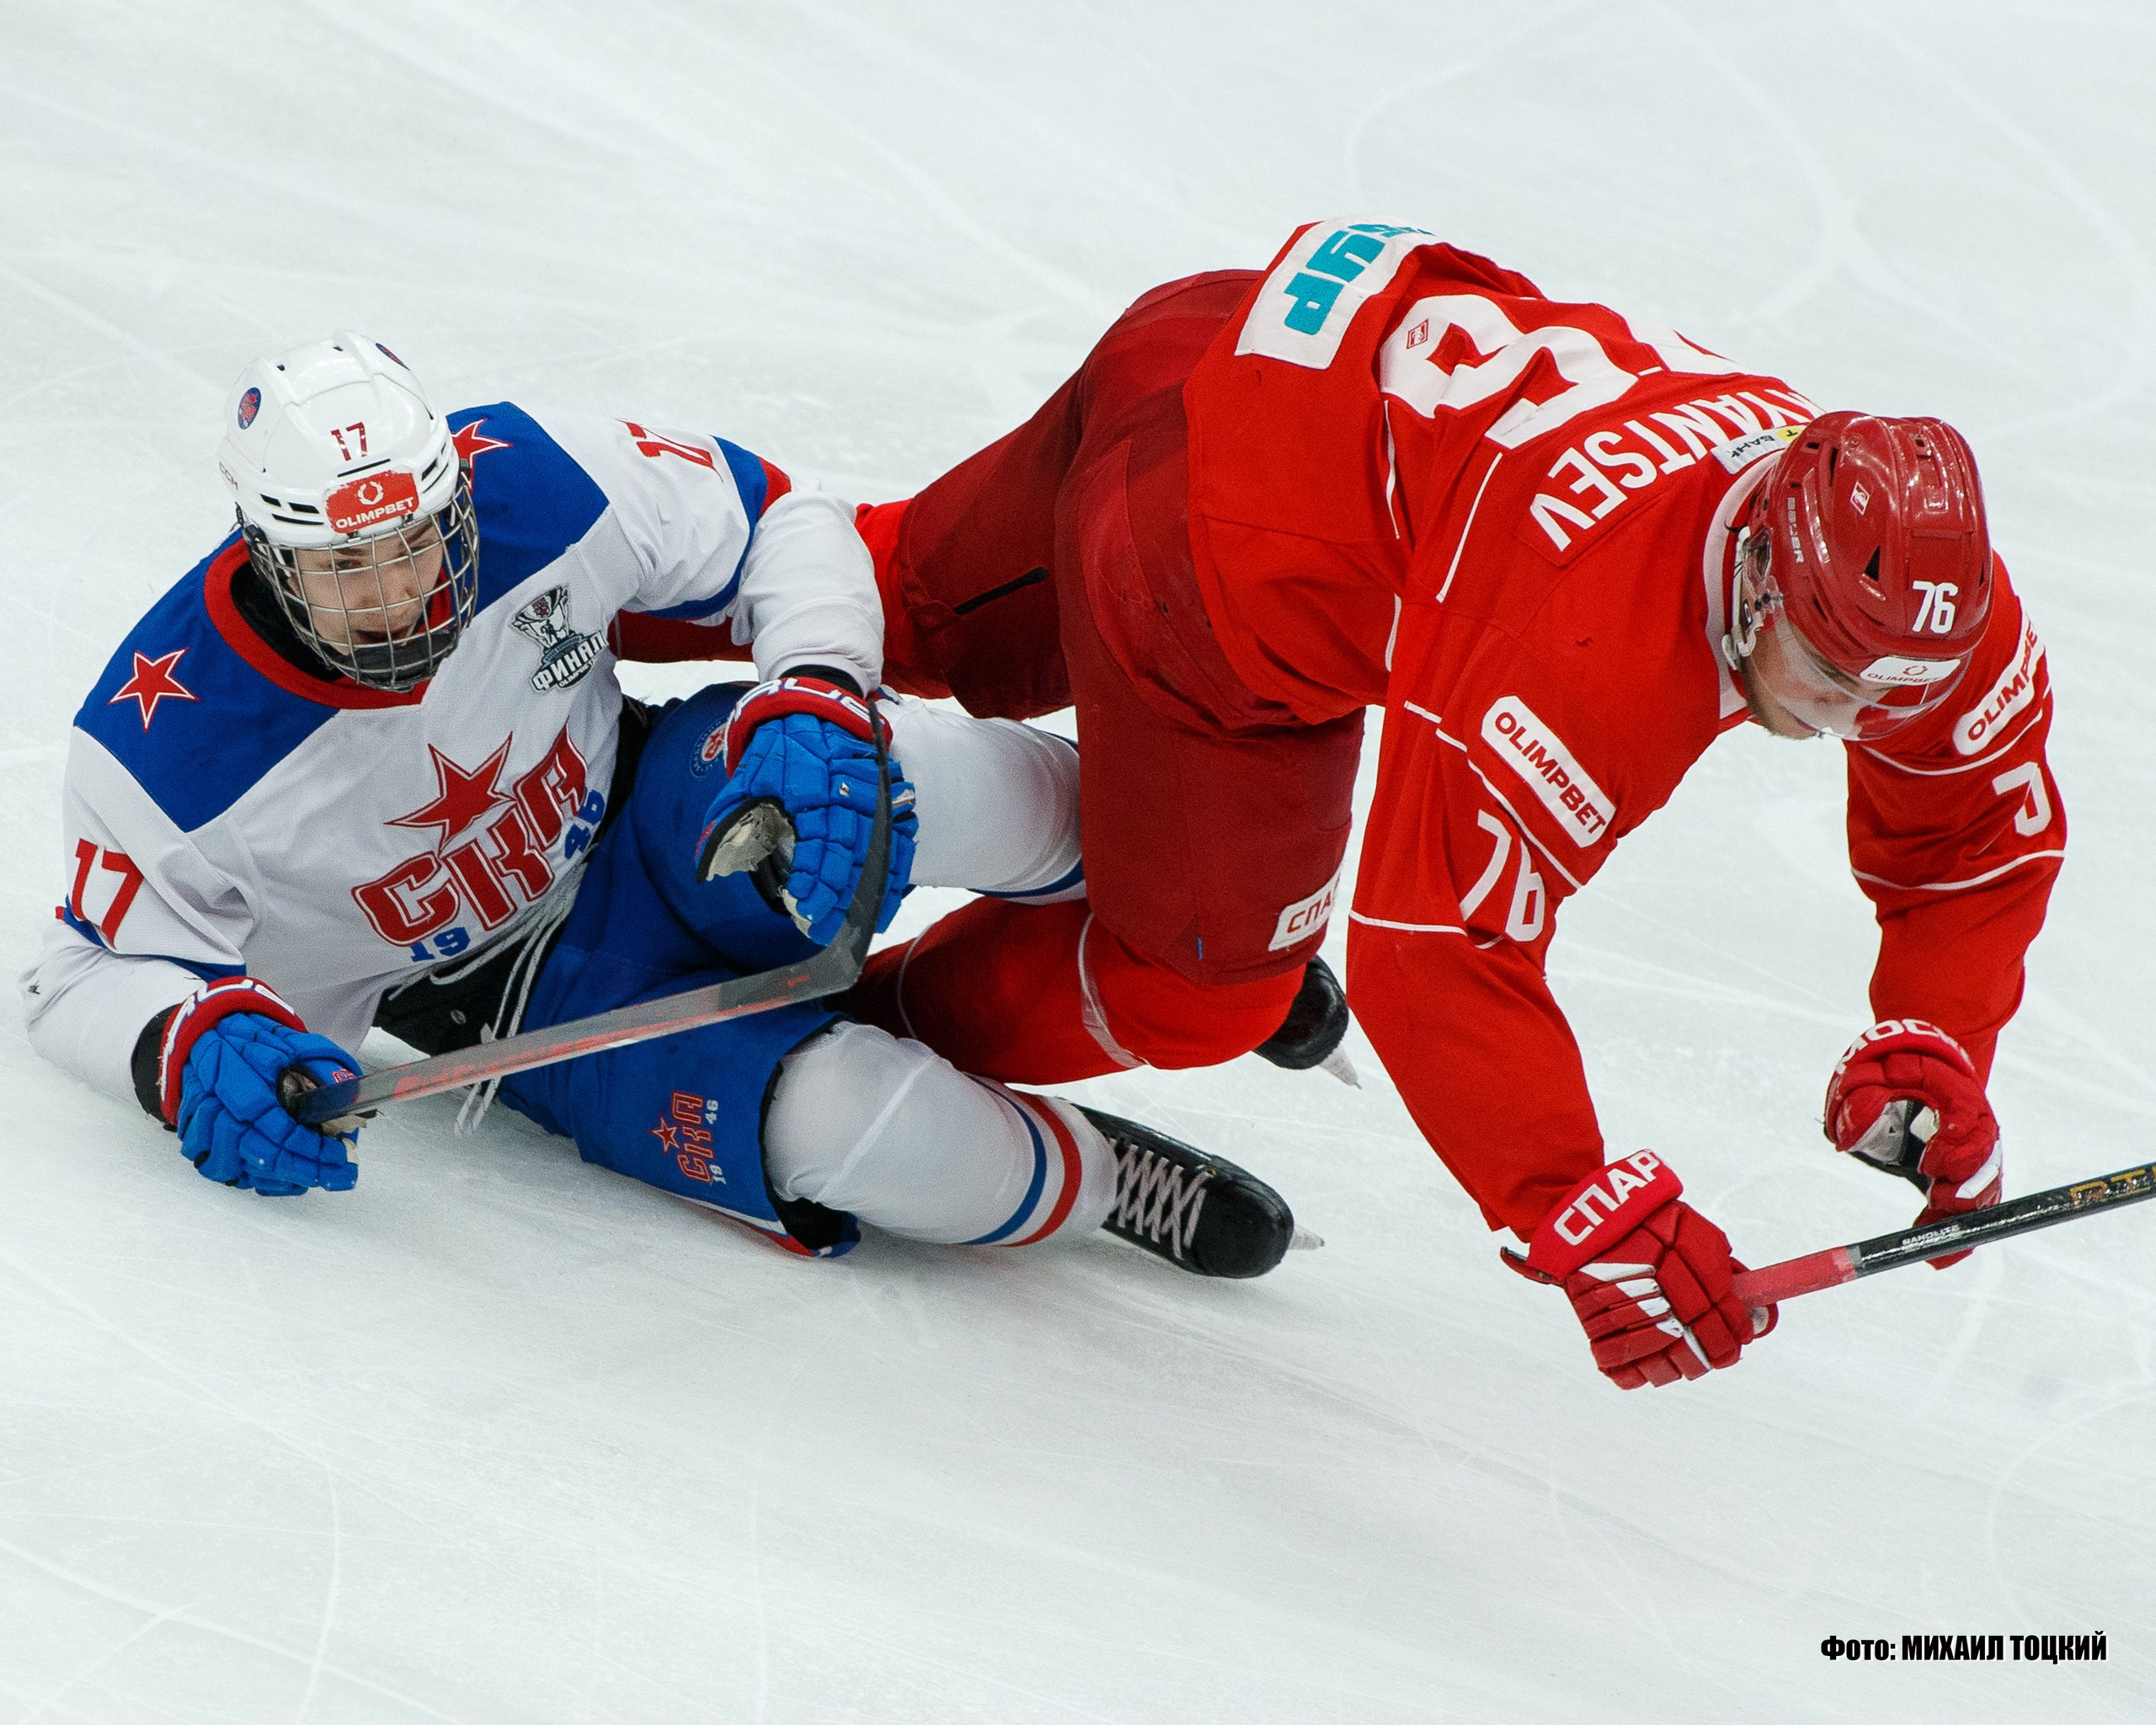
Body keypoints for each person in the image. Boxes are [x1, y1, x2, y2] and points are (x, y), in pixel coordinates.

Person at [838, 222, 2063, 1383]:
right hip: (1198, 553)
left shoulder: (1914, 610)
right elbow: (1437, 948)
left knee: (895, 600)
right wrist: (1577, 1203)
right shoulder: (1584, 639)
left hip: (1225, 332)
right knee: (1209, 985)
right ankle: (857, 1036)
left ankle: (662, 547)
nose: (1867, 727)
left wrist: (1941, 1033)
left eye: (1910, 695)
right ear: (1753, 580)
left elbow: (1970, 837)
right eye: (1837, 683)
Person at [21, 333, 1298, 1279]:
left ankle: (1193, 913)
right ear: (264, 552)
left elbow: (778, 517)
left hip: (655, 805)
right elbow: (74, 975)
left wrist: (810, 691)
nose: (405, 595)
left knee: (893, 770)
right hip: (522, 1009)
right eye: (350, 570)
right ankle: (1098, 1178)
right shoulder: (164, 748)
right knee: (852, 1132)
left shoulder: (532, 476)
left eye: (419, 543)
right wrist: (175, 1049)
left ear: (455, 491)